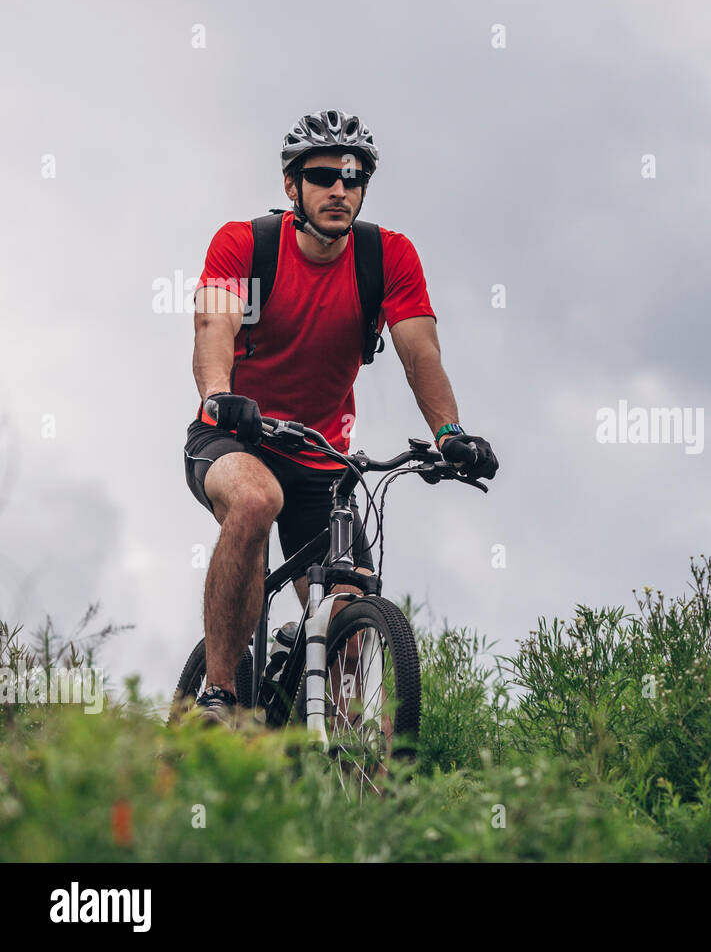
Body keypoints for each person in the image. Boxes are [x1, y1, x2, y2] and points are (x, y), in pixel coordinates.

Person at [182, 109, 498, 726]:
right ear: (291, 185)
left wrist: (451, 434)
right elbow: (212, 323)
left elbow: (419, 350)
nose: (339, 190)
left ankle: (346, 764)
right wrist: (220, 394)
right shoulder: (244, 244)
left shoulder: (389, 257)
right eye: (323, 175)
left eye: (353, 179)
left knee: (351, 604)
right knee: (254, 501)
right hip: (232, 433)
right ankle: (219, 692)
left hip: (321, 458)